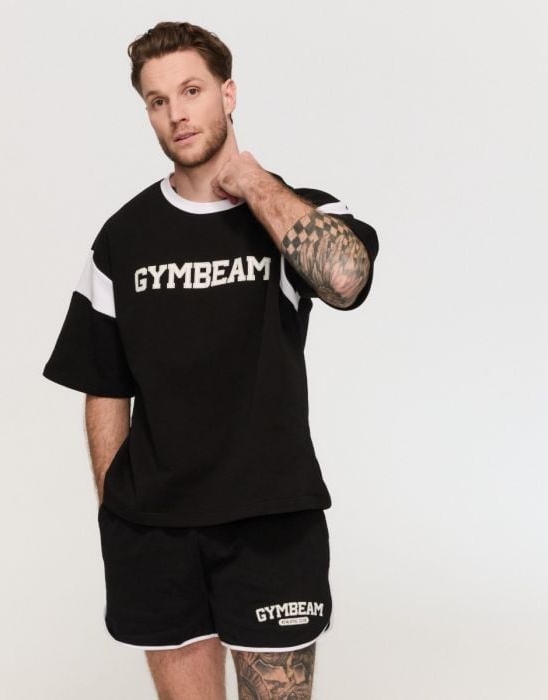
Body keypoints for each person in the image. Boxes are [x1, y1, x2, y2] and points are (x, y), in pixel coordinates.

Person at [43, 20, 379, 700]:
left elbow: (346, 280)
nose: (176, 112)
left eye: (191, 90)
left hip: (271, 523)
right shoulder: (123, 239)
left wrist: (251, 181)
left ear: (228, 94)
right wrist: (116, 508)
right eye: (157, 100)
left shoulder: (294, 212)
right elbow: (103, 384)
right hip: (154, 532)